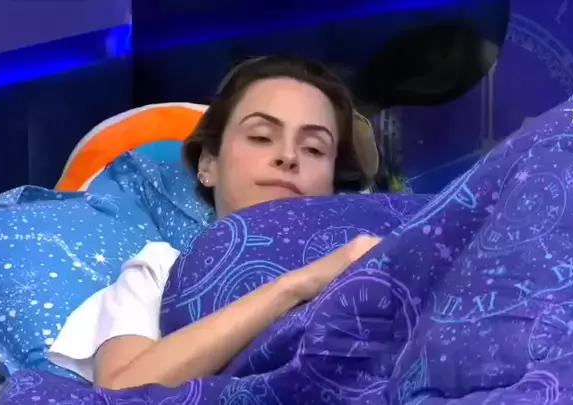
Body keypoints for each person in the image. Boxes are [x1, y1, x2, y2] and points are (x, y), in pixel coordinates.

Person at [46, 56, 382, 390]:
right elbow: (121, 393)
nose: (289, 157)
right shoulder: (160, 271)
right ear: (208, 164)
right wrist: (297, 286)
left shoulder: (370, 258)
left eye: (313, 149)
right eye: (261, 137)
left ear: (333, 185)